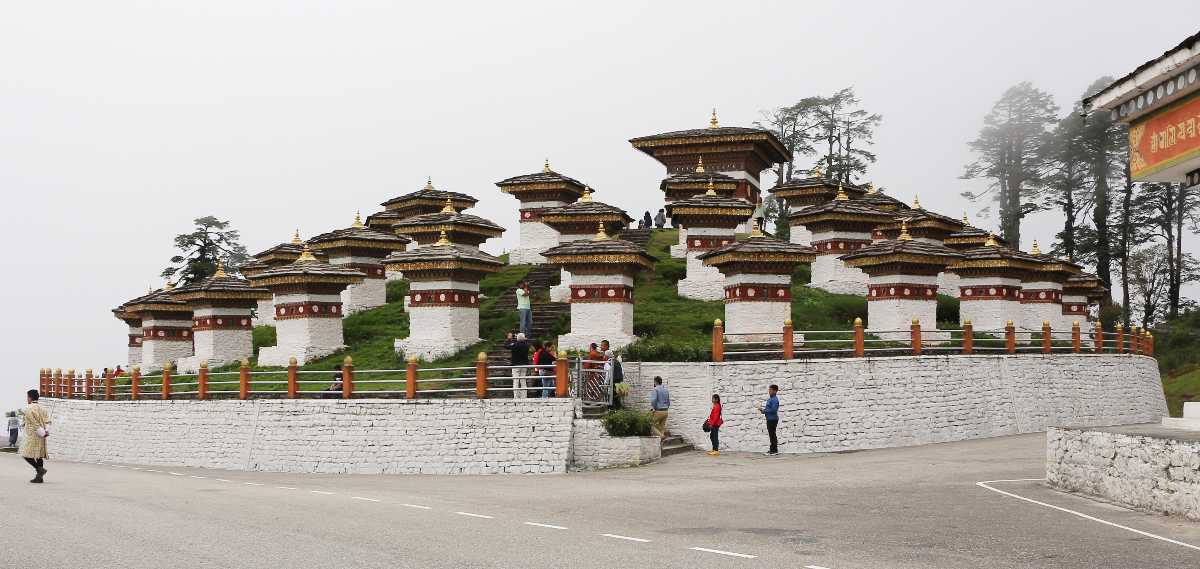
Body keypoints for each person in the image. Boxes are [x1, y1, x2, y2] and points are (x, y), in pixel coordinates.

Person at [20, 389, 49, 483]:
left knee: (26, 454)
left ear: (30, 398)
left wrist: (41, 431)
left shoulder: (29, 409)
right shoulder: (43, 408)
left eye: (27, 397)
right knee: (39, 456)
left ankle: (39, 470)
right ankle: (39, 478)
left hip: (33, 435)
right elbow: (48, 421)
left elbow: (33, 423)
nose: (27, 399)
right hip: (43, 435)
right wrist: (46, 431)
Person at [504, 332, 530, 398]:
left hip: (516, 365)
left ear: (517, 339)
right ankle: (524, 396)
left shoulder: (514, 345)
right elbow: (524, 341)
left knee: (516, 381)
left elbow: (506, 346)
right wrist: (521, 338)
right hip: (524, 365)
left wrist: (509, 339)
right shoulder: (527, 345)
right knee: (523, 381)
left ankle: (516, 397)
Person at [759, 384, 780, 455]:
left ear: (775, 391)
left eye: (770, 390)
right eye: (769, 390)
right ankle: (773, 449)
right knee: (771, 434)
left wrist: (764, 411)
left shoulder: (775, 399)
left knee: (772, 434)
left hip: (773, 419)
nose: (769, 391)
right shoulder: (770, 399)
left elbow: (774, 410)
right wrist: (763, 410)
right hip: (769, 419)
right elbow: (769, 409)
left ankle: (774, 450)